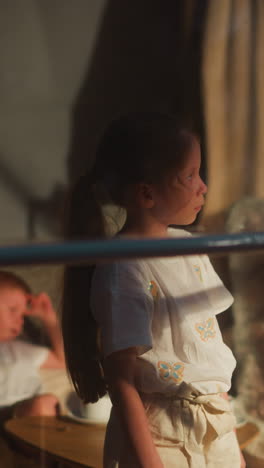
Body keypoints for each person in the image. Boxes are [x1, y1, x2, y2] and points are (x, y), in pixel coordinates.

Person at [62, 112, 246, 467]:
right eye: (190, 176)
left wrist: (232, 448)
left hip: (213, 426)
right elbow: (122, 382)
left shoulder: (190, 249)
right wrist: (151, 462)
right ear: (147, 193)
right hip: (161, 438)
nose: (202, 186)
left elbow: (207, 351)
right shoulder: (123, 268)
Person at [0, 270, 65, 422]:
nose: (20, 320)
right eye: (13, 310)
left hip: (26, 413)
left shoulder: (21, 350)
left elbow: (62, 360)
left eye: (23, 315)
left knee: (47, 403)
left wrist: (49, 318)